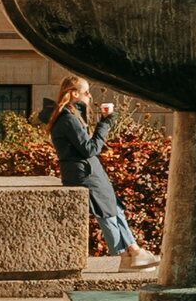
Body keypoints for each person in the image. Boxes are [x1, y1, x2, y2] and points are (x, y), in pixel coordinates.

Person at [48, 78, 145, 264]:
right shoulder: (68, 118)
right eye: (86, 92)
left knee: (115, 207)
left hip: (88, 170)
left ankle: (133, 249)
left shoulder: (73, 114)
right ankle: (123, 256)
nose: (90, 96)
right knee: (106, 212)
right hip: (83, 173)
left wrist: (102, 121)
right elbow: (90, 149)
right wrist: (105, 124)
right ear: (74, 94)